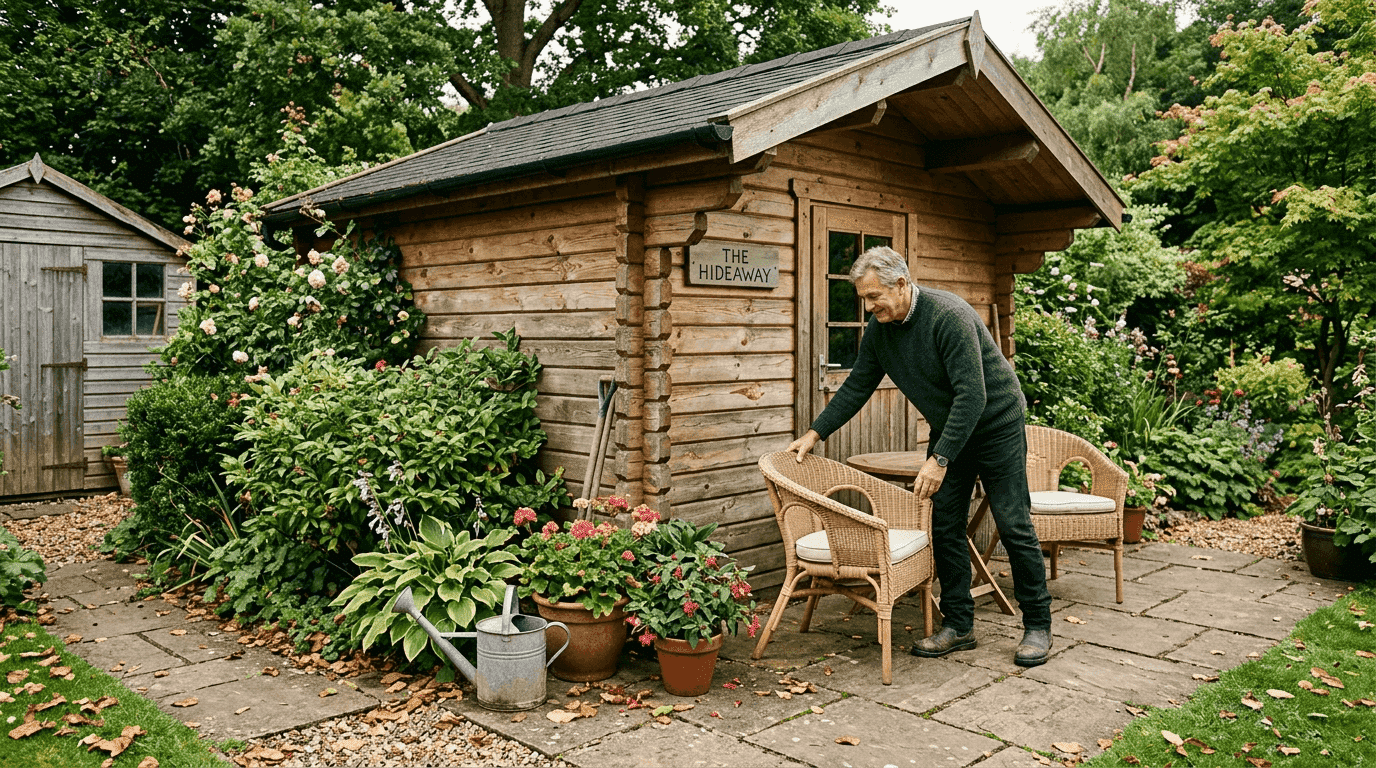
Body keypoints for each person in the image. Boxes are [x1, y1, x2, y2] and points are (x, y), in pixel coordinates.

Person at [787, 246, 1053, 667]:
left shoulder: (949, 316)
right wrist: (815, 433)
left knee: (1013, 522)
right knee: (944, 525)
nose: (869, 307)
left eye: (874, 296)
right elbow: (858, 385)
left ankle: (1037, 624)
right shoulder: (880, 330)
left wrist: (939, 459)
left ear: (901, 284)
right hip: (951, 427)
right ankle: (959, 625)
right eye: (864, 299)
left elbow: (973, 395)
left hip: (995, 425)